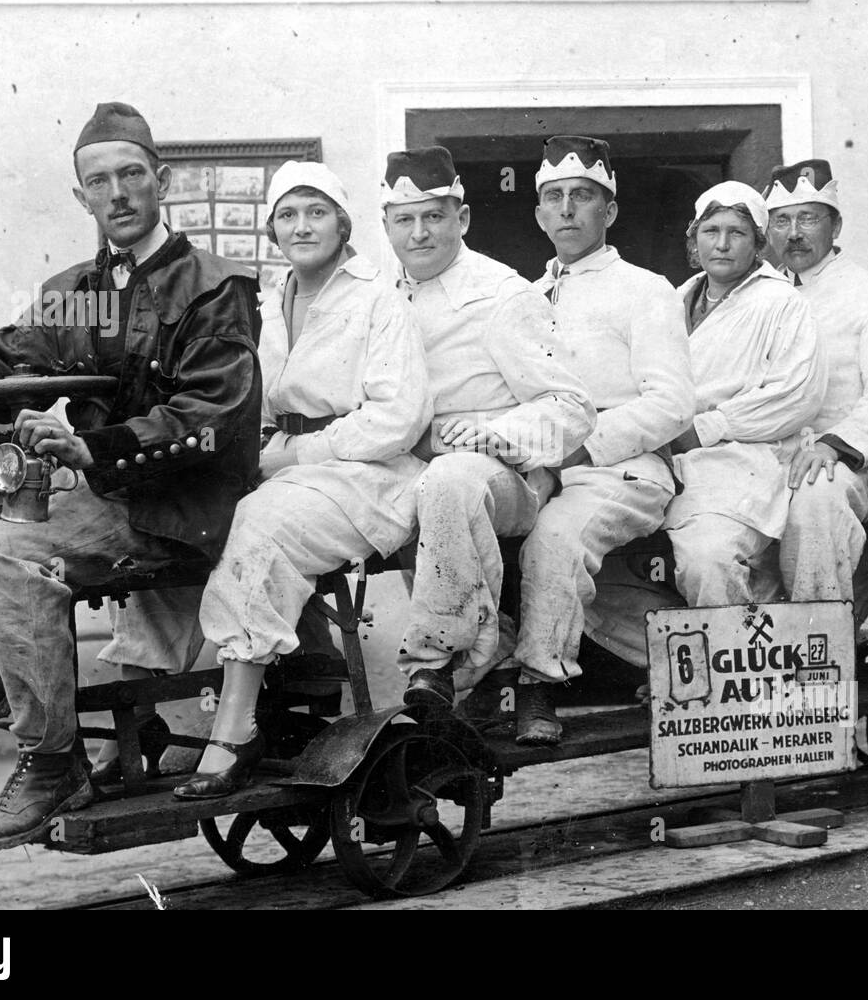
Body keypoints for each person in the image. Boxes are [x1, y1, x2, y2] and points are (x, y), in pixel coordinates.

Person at [0, 102, 262, 851]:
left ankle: (53, 763)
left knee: (4, 550)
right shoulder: (78, 288)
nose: (116, 193)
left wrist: (97, 448)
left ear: (162, 181)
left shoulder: (215, 287)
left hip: (173, 507)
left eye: (130, 176)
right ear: (80, 197)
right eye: (98, 181)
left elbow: (212, 417)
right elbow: (17, 355)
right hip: (90, 489)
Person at [174, 161, 431, 799]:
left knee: (260, 523)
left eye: (316, 212)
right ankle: (154, 696)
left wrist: (295, 454)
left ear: (343, 224)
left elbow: (398, 417)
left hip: (369, 473)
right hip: (283, 459)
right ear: (271, 230)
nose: (302, 226)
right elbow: (250, 400)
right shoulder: (266, 301)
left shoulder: (378, 296)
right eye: (287, 215)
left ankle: (233, 729)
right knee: (177, 513)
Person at [461, 136, 693, 744]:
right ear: (538, 214)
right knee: (459, 515)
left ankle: (538, 685)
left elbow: (671, 402)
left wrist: (582, 450)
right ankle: (490, 668)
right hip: (543, 461)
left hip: (623, 465)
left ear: (608, 211)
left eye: (582, 197)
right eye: (554, 198)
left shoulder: (646, 289)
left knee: (555, 541)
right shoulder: (525, 297)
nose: (567, 209)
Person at [384, 146, 595, 712]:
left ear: (464, 218)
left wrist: (508, 434)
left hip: (497, 475)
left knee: (450, 479)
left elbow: (571, 403)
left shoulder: (502, 294)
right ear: (386, 225)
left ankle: (433, 663)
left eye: (435, 216)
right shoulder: (376, 295)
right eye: (405, 219)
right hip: (404, 464)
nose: (420, 234)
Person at [664, 181, 826, 608]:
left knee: (708, 558)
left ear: (757, 243)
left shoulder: (781, 302)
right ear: (693, 240)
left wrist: (707, 427)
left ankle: (726, 669)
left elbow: (797, 395)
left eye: (736, 233)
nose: (721, 244)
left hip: (742, 463)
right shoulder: (677, 297)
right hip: (668, 460)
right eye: (710, 231)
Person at [764, 160, 868, 616]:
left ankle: (818, 650)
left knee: (815, 500)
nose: (793, 233)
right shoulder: (763, 293)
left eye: (808, 218)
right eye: (781, 221)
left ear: (836, 224)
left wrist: (833, 446)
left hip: (849, 461)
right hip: (772, 453)